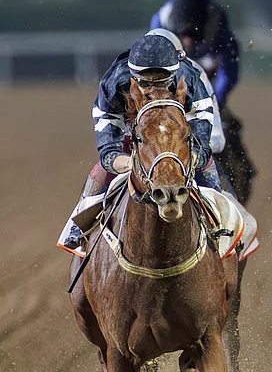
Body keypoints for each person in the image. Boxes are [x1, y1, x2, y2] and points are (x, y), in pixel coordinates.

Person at [58, 31, 221, 252]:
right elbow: (108, 149)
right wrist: (127, 162)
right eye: (145, 82)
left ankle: (221, 221)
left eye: (161, 80)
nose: (153, 87)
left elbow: (202, 126)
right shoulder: (114, 82)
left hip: (175, 134)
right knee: (99, 171)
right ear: (133, 76)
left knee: (205, 163)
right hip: (136, 136)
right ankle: (77, 227)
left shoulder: (189, 78)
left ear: (174, 73)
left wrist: (194, 157)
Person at [151, 0, 256, 198]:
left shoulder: (218, 26)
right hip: (170, 85)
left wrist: (214, 101)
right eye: (183, 34)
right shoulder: (160, 23)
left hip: (209, 81)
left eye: (193, 34)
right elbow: (153, 68)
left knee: (228, 127)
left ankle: (240, 175)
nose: (188, 39)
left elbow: (229, 71)